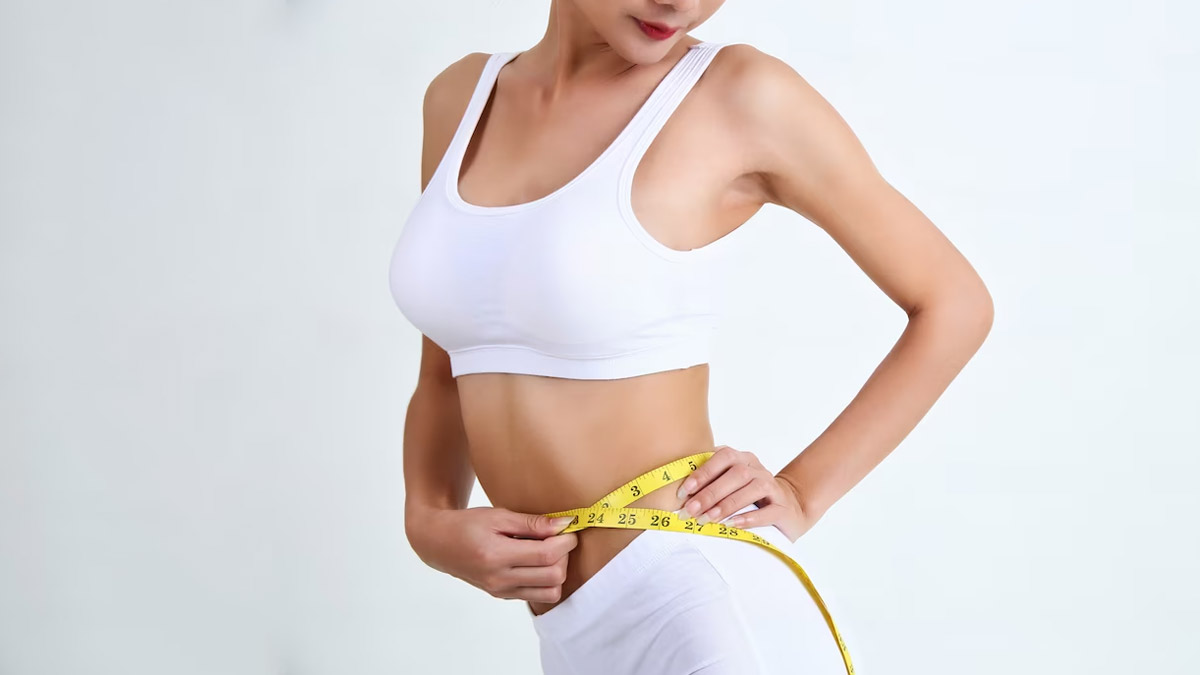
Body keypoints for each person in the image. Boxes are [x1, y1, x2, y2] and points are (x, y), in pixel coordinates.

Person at [389, 1, 993, 673]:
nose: (682, 3)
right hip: (570, 629)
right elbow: (446, 365)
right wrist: (428, 519)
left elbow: (954, 303)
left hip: (694, 599)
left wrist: (803, 490)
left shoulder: (737, 95)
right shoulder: (459, 99)